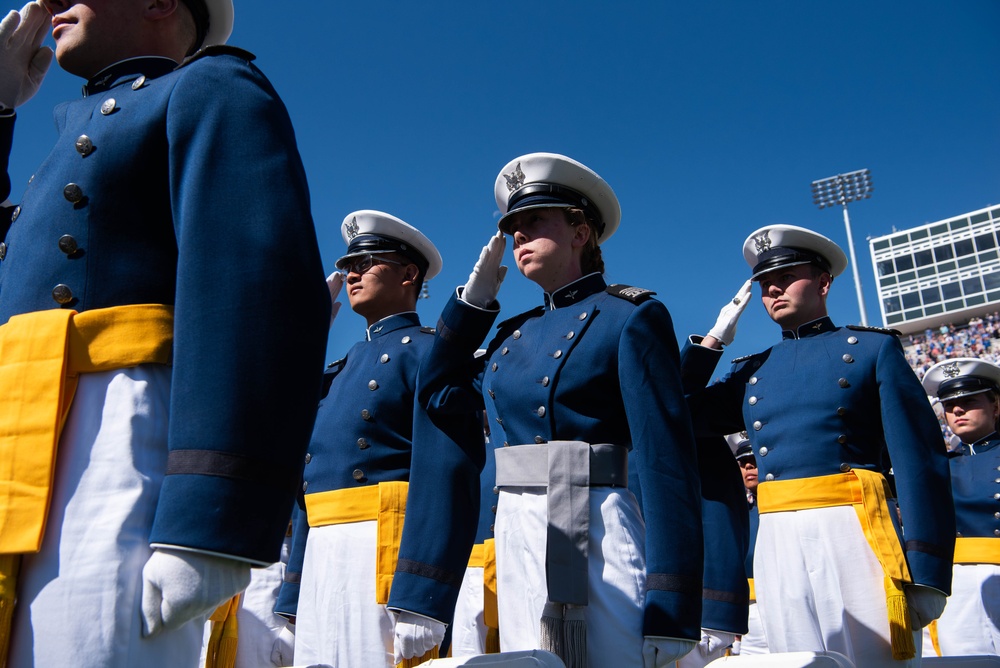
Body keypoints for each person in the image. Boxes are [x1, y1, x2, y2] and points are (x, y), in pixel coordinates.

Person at [0, 0, 331, 666]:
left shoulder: (208, 87)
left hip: (119, 435)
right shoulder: (59, 142)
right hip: (19, 432)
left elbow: (253, 292)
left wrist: (211, 524)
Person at [406, 152, 704, 668]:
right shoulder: (506, 337)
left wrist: (672, 603)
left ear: (580, 232)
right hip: (517, 529)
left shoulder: (629, 317)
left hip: (599, 528)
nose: (519, 236)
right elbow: (437, 395)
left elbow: (666, 462)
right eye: (513, 226)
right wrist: (470, 307)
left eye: (534, 221)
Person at [683, 224, 955, 667]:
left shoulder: (871, 350)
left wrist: (926, 569)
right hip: (777, 537)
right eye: (765, 282)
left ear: (824, 283)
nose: (773, 288)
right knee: (799, 659)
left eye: (787, 276)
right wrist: (711, 342)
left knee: (874, 658)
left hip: (853, 527)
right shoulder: (752, 370)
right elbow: (679, 414)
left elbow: (920, 460)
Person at [286, 210, 477, 667]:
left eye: (367, 261)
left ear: (409, 274)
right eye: (348, 264)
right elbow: (304, 483)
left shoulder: (431, 354)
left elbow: (447, 473)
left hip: (384, 553)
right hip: (322, 557)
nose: (351, 273)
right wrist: (291, 589)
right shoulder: (339, 369)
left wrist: (422, 595)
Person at [921, 358, 1000, 655]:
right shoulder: (934, 466)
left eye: (969, 401)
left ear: (996, 406)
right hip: (952, 586)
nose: (956, 410)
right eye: (949, 404)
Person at [727, 431, 767, 656]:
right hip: (747, 609)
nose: (749, 467)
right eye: (743, 463)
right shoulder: (737, 512)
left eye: (754, 461)